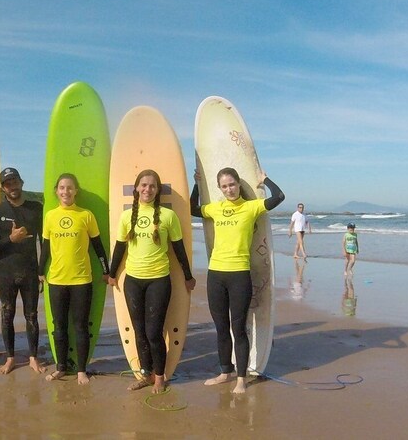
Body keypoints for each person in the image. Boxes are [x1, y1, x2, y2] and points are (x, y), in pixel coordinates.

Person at [191, 168, 284, 394]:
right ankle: (226, 372)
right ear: (220, 189)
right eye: (224, 186)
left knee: (238, 328)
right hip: (216, 274)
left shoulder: (251, 207)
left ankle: (241, 379)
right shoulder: (216, 209)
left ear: (238, 185)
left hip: (239, 275)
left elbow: (279, 197)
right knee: (221, 327)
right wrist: (196, 184)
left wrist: (265, 180)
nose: (229, 189)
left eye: (232, 184)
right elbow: (193, 209)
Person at [107, 169, 196, 394]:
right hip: (133, 280)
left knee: (154, 332)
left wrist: (187, 276)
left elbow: (178, 249)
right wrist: (112, 273)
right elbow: (120, 247)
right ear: (136, 188)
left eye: (152, 186)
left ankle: (159, 377)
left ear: (157, 190)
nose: (147, 189)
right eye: (144, 185)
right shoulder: (127, 216)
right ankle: (145, 374)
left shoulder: (168, 216)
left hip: (159, 280)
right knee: (139, 331)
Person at [40, 173, 109, 385]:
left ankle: (81, 370)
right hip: (57, 280)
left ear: (75, 191)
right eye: (62, 188)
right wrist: (40, 272)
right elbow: (45, 248)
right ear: (56, 191)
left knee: (80, 327)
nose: (65, 192)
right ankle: (61, 367)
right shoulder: (50, 216)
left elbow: (98, 246)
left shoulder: (86, 215)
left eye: (69, 188)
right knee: (59, 326)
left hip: (81, 280)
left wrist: (106, 270)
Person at [0, 167, 45, 375]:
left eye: (15, 181)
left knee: (32, 315)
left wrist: (42, 269)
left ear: (22, 182)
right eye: (8, 183)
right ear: (3, 188)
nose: (13, 186)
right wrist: (10, 240)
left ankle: (33, 358)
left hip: (30, 271)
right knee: (7, 314)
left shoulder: (36, 208)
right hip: (6, 272)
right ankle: (10, 358)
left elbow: (45, 242)